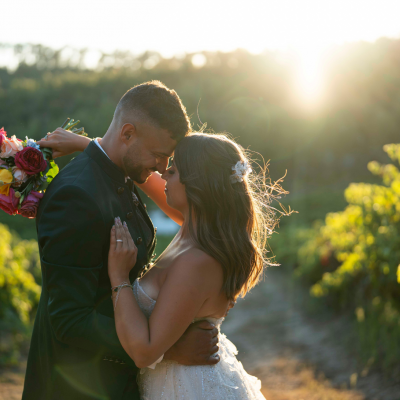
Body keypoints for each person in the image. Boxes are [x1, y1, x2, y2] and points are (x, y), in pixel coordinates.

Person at [40, 128, 288, 399]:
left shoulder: (196, 260)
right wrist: (92, 146)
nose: (163, 173)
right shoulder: (196, 228)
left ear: (197, 187)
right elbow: (151, 182)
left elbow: (145, 352)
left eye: (174, 170)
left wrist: (119, 276)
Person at [22, 81, 221, 400]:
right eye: (159, 156)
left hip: (114, 379)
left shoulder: (122, 172)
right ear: (127, 134)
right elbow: (69, 319)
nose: (161, 168)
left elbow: (186, 212)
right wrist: (165, 348)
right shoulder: (76, 196)